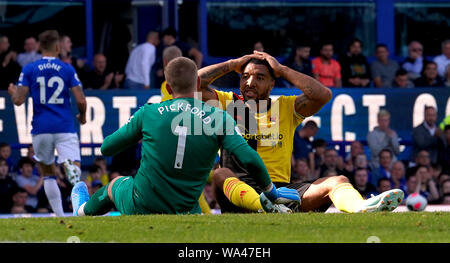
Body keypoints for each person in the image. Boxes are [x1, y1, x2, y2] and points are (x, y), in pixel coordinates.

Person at [71, 57, 301, 216]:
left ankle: (82, 211)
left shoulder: (149, 112)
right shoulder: (219, 117)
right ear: (198, 83)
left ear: (168, 89)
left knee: (116, 184)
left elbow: (107, 148)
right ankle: (262, 203)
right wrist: (270, 191)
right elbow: (250, 158)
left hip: (142, 201)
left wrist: (139, 132)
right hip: (186, 206)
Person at [196, 50, 403, 213]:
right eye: (245, 77)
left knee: (338, 180)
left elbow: (323, 95)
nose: (250, 82)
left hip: (282, 193)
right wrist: (232, 64)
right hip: (239, 190)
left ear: (272, 83)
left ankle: (361, 207)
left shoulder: (285, 107)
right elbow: (193, 84)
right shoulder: (227, 102)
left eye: (260, 77)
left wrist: (283, 69)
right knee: (220, 173)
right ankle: (263, 206)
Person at [8, 30, 87, 217]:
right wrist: (82, 116)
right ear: (58, 47)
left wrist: (13, 92)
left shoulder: (29, 69)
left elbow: (19, 100)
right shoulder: (67, 69)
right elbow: (81, 100)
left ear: (39, 47)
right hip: (64, 126)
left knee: (48, 173)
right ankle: (70, 167)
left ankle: (59, 216)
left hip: (41, 128)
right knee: (74, 167)